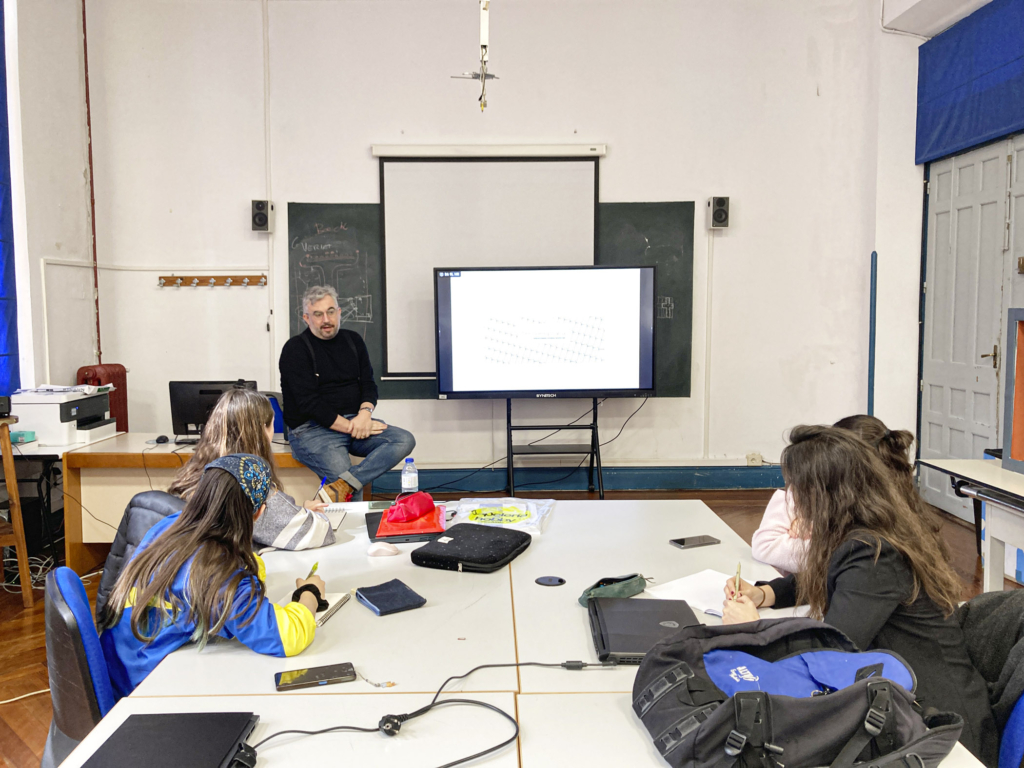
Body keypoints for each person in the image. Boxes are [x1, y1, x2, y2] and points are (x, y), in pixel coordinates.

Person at [724, 425, 998, 766]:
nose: (790, 497)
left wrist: (756, 630)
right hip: (901, 704)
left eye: (794, 487)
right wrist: (763, 594)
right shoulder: (870, 532)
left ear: (822, 494)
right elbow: (827, 576)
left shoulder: (874, 555)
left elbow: (832, 651)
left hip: (938, 730)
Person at [100, 455, 325, 699]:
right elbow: (287, 636)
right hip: (147, 691)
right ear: (258, 513)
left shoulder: (169, 526)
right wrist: (310, 593)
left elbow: (247, 574)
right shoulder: (220, 571)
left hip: (119, 670)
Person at [751, 414, 948, 574]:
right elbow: (766, 544)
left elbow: (850, 559)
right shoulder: (814, 488)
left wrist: (813, 538)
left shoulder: (885, 512)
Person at [280, 284, 415, 502]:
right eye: (318, 314)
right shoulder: (295, 350)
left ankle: (346, 482)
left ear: (339, 312)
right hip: (312, 431)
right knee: (353, 493)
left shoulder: (353, 341)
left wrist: (364, 415)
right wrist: (354, 427)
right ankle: (347, 521)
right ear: (306, 318)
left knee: (403, 440)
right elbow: (310, 404)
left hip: (355, 420)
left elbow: (369, 385)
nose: (326, 319)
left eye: (331, 311)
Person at [168, 387, 335, 551]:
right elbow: (319, 533)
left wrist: (300, 512)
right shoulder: (249, 483)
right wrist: (315, 516)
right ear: (262, 430)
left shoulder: (193, 477)